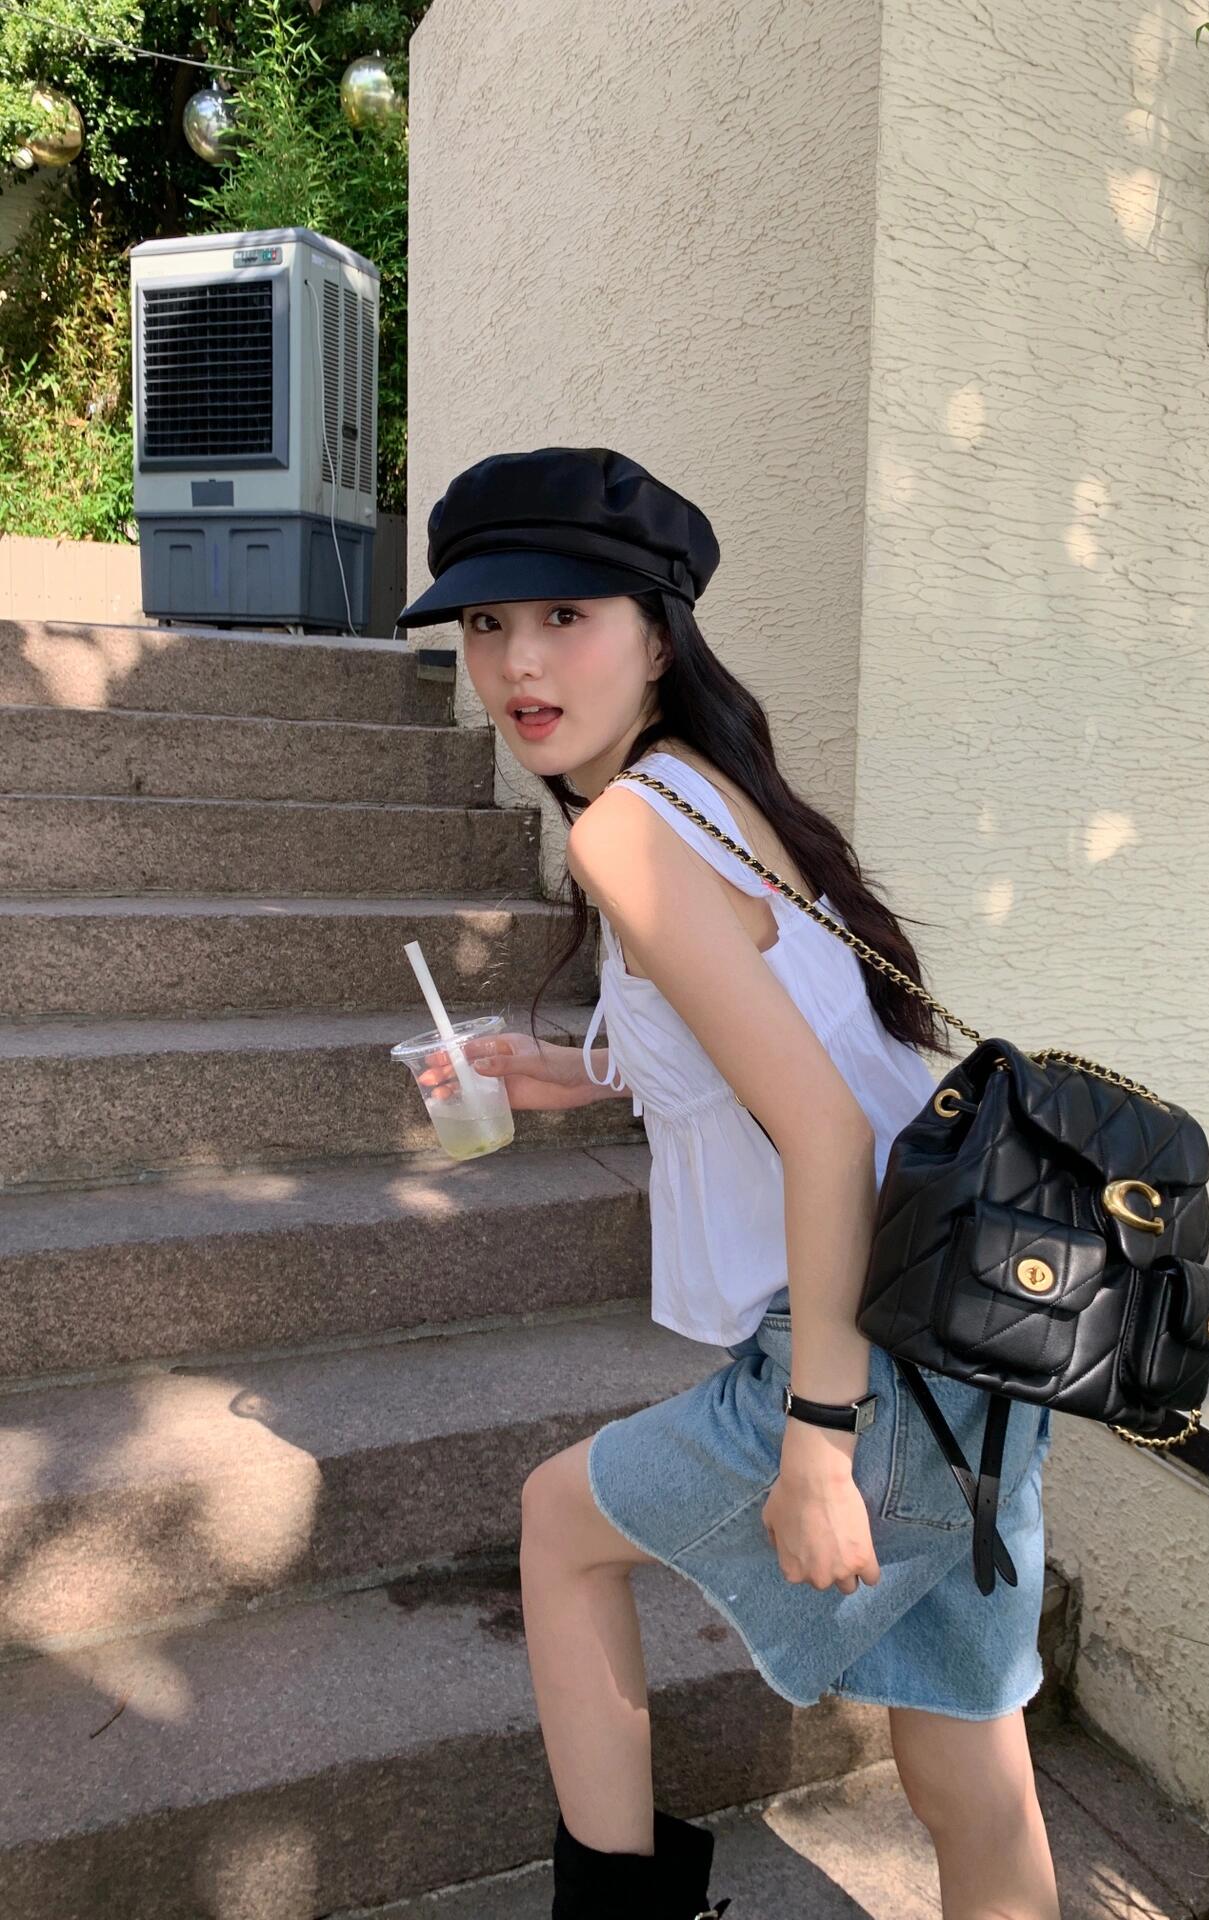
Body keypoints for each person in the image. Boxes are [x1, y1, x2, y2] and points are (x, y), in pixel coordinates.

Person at [396, 446, 1059, 1920]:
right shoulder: (700, 789)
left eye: (564, 616)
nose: (518, 663)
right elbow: (757, 1042)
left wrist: (817, 1444)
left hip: (865, 1346)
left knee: (559, 1531)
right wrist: (557, 1067)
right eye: (486, 625)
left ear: (656, 635)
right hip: (972, 1331)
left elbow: (819, 1133)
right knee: (971, 1771)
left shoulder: (627, 825)